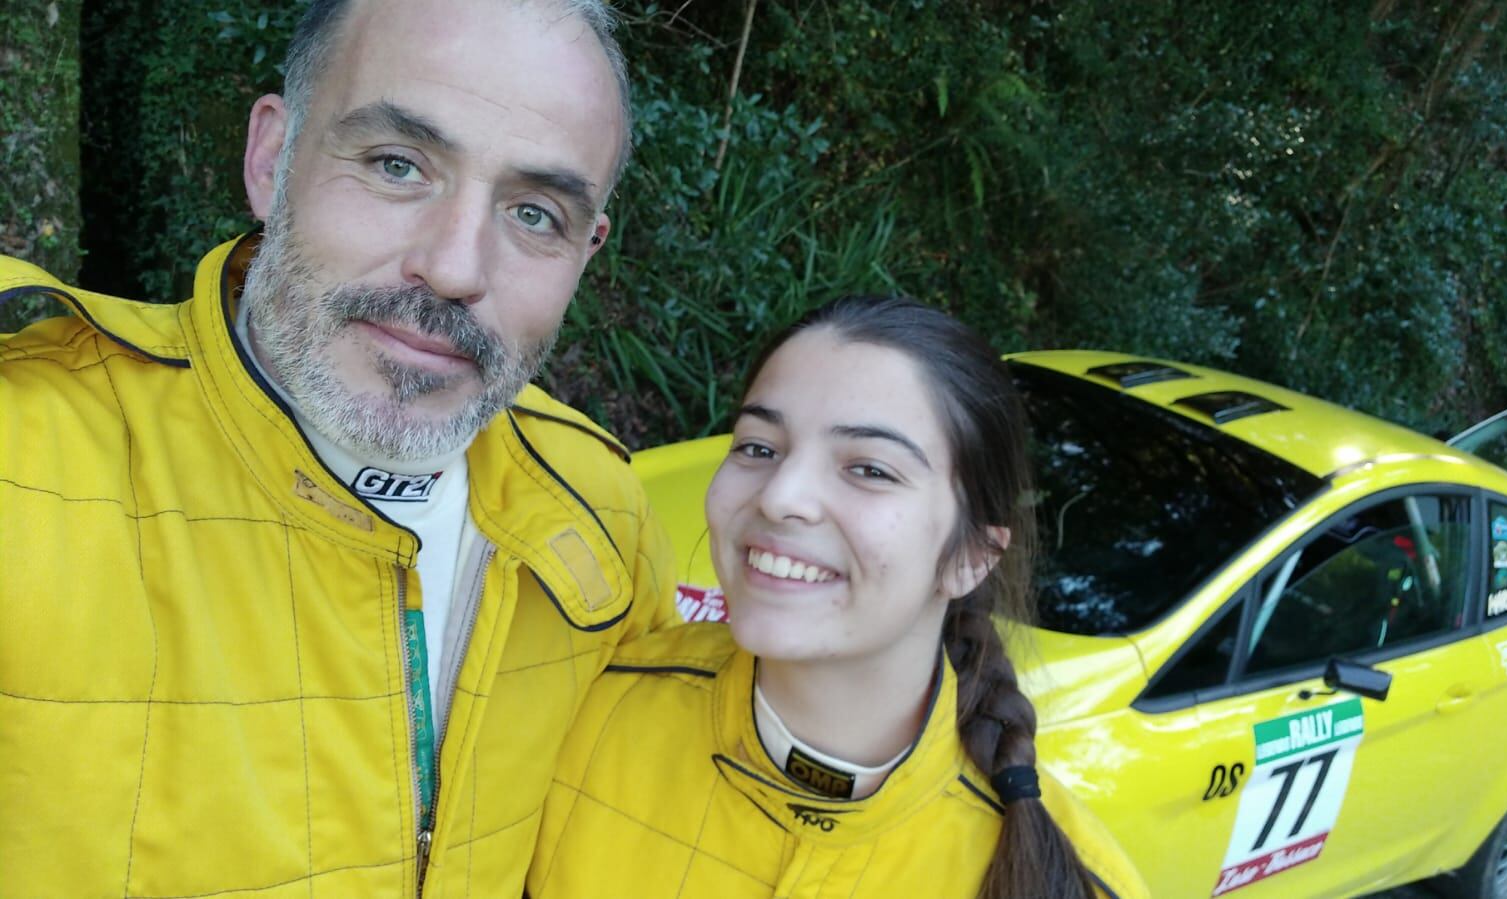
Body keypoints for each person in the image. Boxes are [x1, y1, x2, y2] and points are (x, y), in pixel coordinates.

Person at [0, 0, 676, 894]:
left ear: (587, 251)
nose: (456, 268)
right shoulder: (26, 451)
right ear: (272, 158)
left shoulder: (601, 508)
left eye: (535, 213)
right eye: (398, 165)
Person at [529, 296, 1149, 898]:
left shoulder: (1062, 877)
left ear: (970, 558)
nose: (780, 495)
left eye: (870, 469)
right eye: (758, 447)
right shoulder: (585, 713)